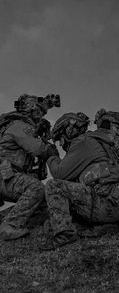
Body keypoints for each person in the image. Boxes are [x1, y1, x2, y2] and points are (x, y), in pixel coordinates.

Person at [41, 110, 119, 250]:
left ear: (68, 131)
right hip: (118, 202)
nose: (61, 143)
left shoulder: (82, 141)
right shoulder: (99, 142)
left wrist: (50, 155)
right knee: (49, 223)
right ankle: (108, 225)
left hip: (106, 201)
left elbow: (60, 173)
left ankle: (65, 235)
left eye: (60, 138)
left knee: (54, 186)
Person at [0, 93, 60, 240]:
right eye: (40, 112)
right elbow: (38, 149)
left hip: (7, 177)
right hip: (4, 177)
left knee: (45, 201)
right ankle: (9, 226)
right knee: (36, 188)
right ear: (32, 109)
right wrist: (51, 149)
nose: (41, 116)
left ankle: (3, 220)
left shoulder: (13, 124)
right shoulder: (20, 125)